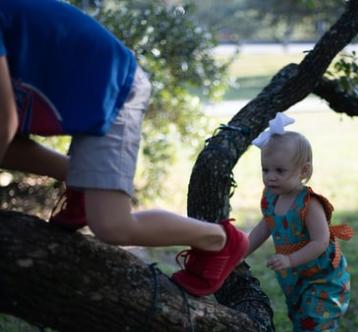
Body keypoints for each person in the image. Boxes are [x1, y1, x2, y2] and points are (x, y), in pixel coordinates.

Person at [0, 0, 248, 296]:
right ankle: (81, 180)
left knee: (111, 226)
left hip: (115, 88)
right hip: (84, 89)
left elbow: (6, 122)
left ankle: (219, 239)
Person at [246, 112, 353, 332]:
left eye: (280, 171)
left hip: (324, 278)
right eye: (265, 170)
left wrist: (290, 258)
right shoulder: (270, 198)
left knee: (313, 325)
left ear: (303, 171)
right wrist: (239, 252)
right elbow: (264, 228)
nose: (270, 177)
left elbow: (319, 242)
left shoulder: (309, 204)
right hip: (296, 278)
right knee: (301, 324)